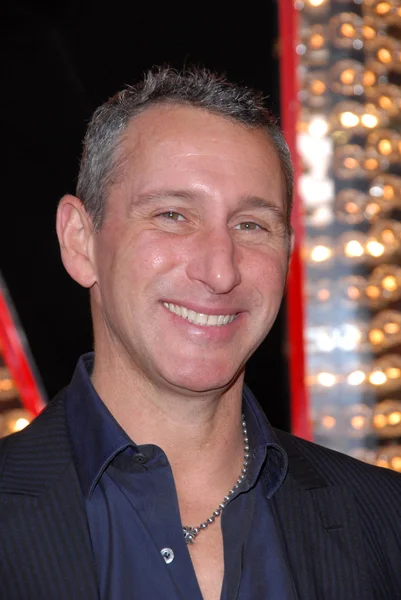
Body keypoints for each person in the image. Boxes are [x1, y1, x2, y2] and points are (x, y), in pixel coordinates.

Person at [1, 67, 401, 600]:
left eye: (251, 225)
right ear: (80, 241)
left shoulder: (386, 521)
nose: (220, 271)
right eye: (173, 215)